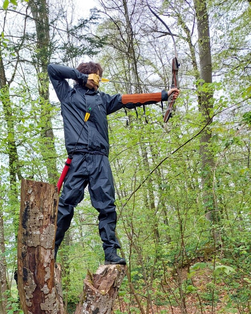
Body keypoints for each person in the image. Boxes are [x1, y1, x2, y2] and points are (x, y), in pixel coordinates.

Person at [47, 62, 180, 265]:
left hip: (100, 159)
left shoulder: (103, 100)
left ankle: (110, 252)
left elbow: (130, 100)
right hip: (77, 158)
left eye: (99, 77)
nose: (98, 81)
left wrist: (164, 95)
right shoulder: (67, 95)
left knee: (107, 207)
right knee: (64, 206)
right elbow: (52, 69)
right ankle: (49, 252)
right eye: (96, 76)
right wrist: (83, 78)